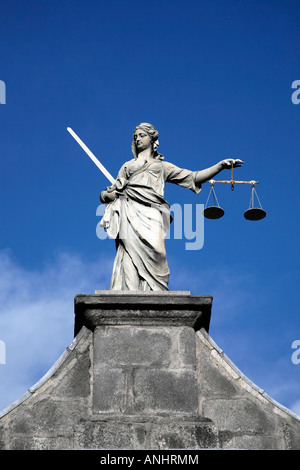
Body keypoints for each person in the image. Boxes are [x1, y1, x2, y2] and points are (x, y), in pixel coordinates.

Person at [100, 122, 243, 291]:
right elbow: (106, 194)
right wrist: (112, 195)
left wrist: (220, 166)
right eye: (135, 136)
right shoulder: (127, 166)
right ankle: (130, 291)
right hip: (129, 211)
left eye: (142, 135)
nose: (138, 139)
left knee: (158, 253)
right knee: (129, 255)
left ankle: (156, 291)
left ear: (152, 139)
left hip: (153, 214)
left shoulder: (162, 166)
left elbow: (194, 177)